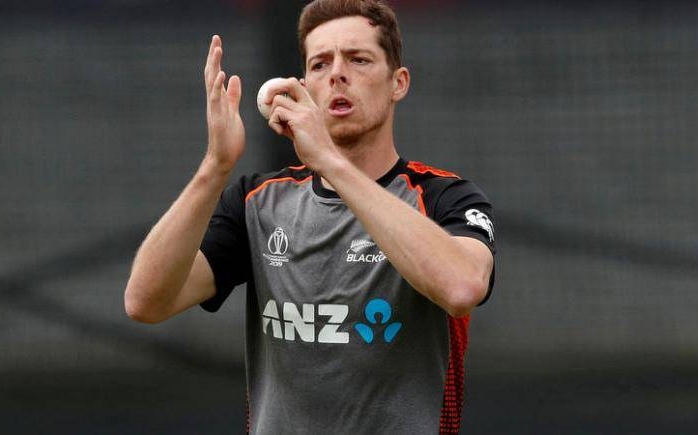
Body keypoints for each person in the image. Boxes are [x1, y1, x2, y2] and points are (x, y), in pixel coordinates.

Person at [124, 0, 496, 433]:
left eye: (358, 59)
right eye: (320, 64)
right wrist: (215, 166)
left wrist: (330, 162)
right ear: (304, 87)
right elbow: (145, 302)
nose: (338, 73)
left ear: (398, 83)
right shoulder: (257, 202)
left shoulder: (444, 197)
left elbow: (463, 286)